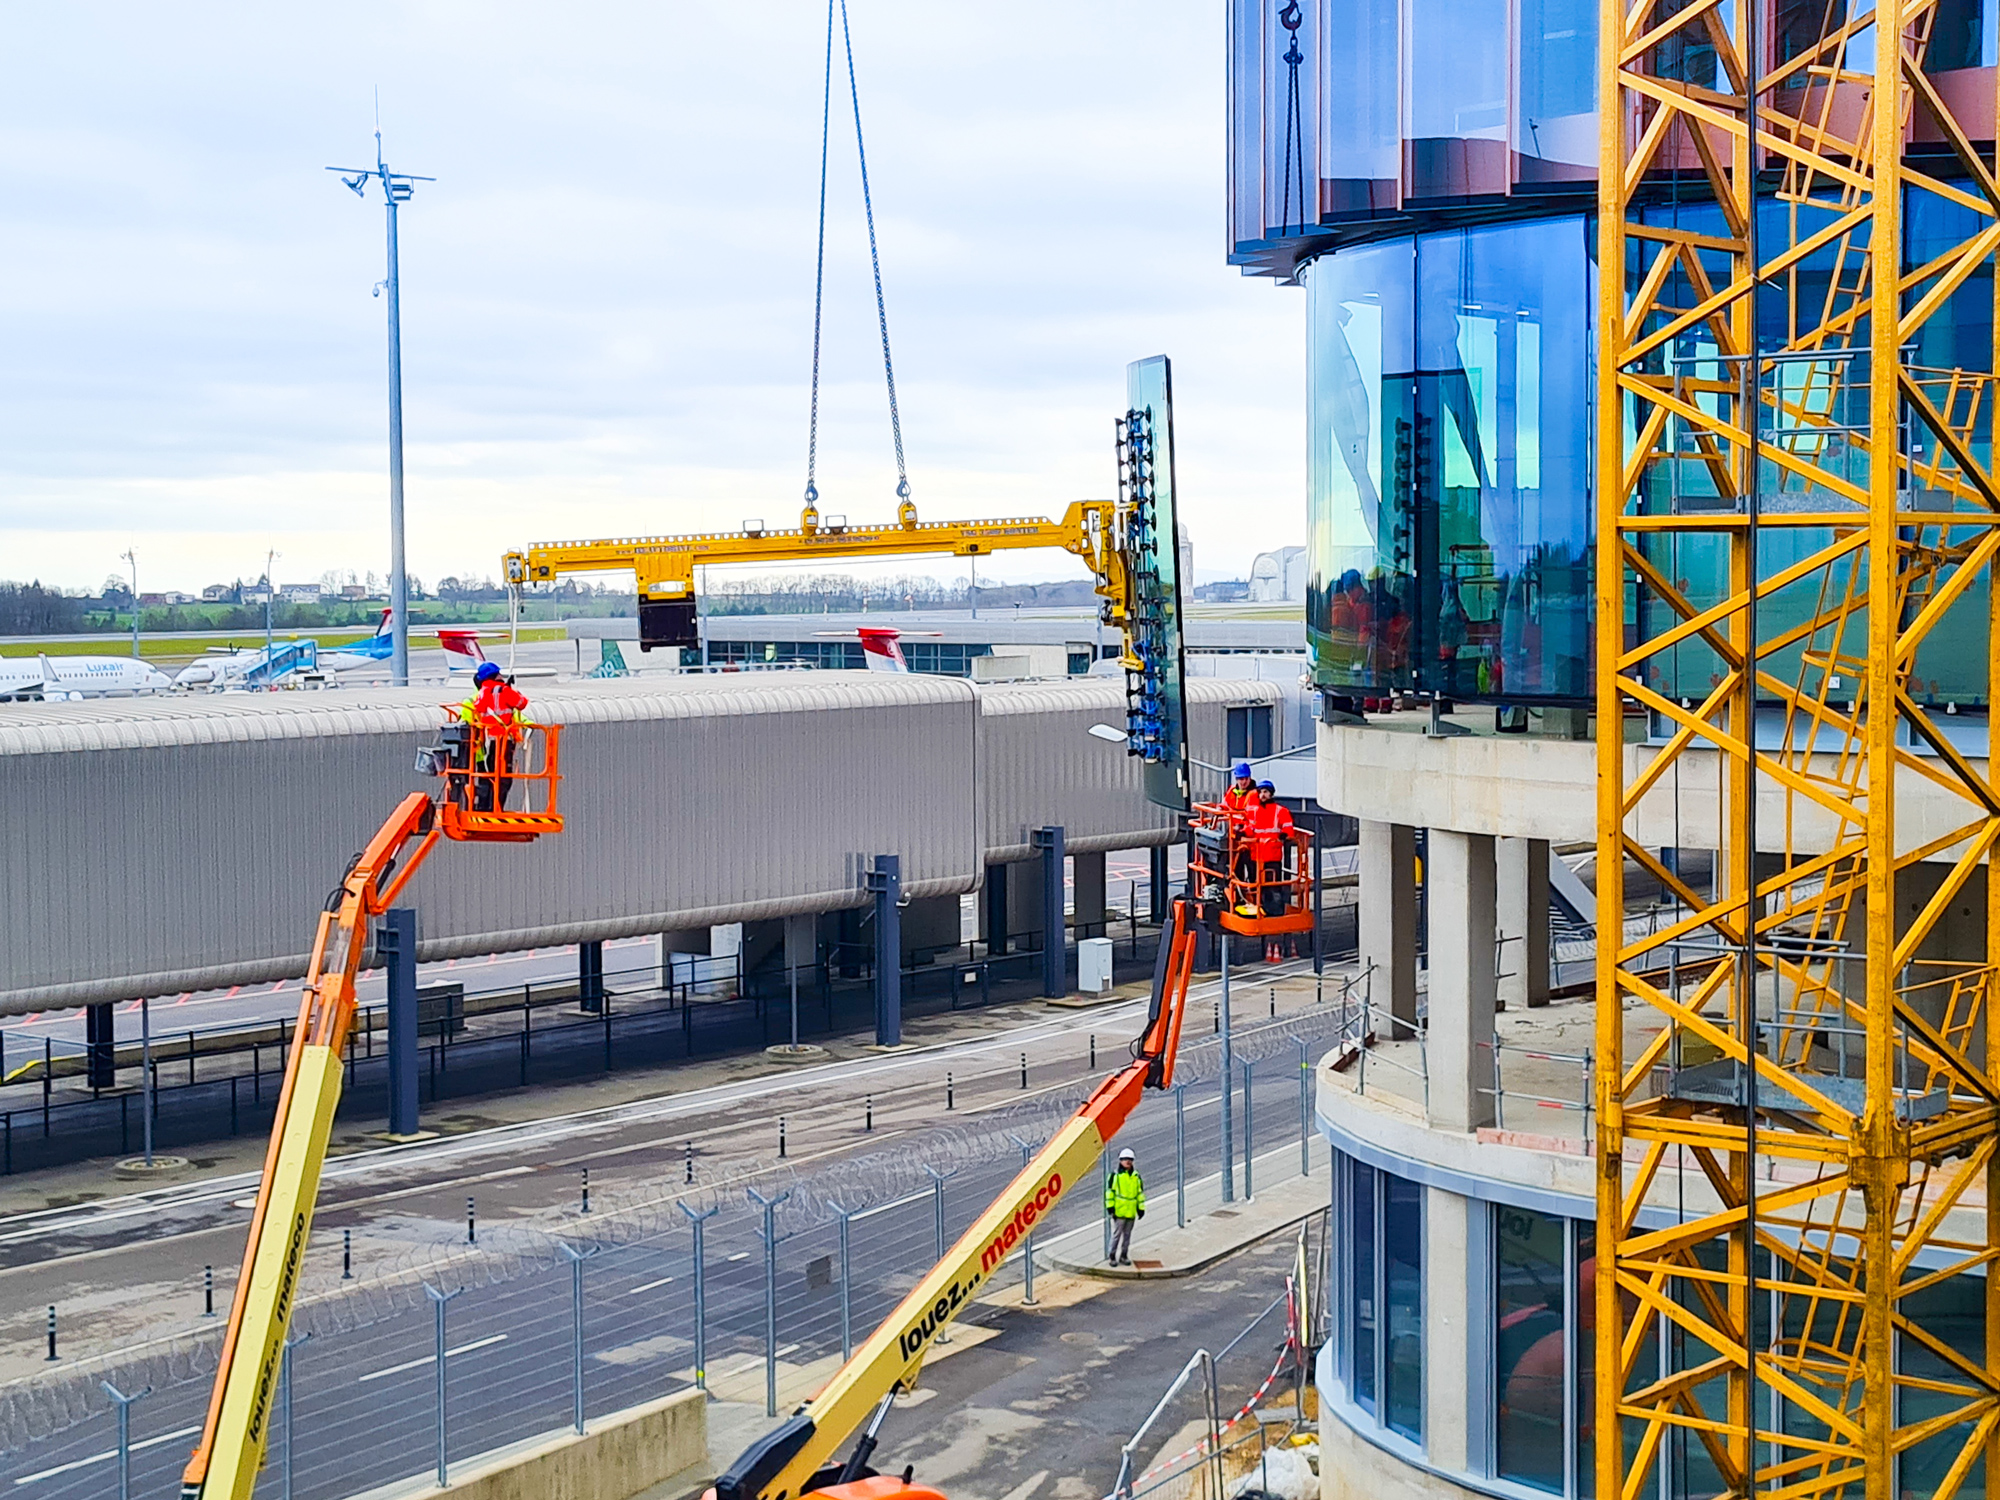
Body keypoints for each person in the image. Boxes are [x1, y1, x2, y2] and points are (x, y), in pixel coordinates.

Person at [469, 662, 530, 810]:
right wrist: (514, 690)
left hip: (487, 740)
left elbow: (479, 708)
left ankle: (485, 807)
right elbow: (522, 703)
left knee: (489, 776)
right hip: (503, 741)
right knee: (503, 778)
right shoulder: (504, 690)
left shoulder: (482, 692)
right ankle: (497, 808)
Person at [1248, 781, 1297, 959]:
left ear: (1271, 794)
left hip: (1272, 859)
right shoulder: (1253, 811)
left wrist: (1283, 836)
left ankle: (1273, 923)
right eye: (1260, 792)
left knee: (1273, 894)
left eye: (1266, 792)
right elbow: (1249, 828)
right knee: (1259, 892)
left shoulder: (1280, 811)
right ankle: (1264, 913)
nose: (1262, 795)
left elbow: (1288, 829)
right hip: (1256, 857)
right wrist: (1241, 831)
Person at [1104, 1147, 1146, 1265]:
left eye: (1130, 1159)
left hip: (1131, 1211)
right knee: (1116, 1235)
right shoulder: (1115, 1176)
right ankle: (1112, 1256)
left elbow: (1139, 1194)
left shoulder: (1136, 1177)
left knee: (1127, 1236)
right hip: (1119, 1211)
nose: (1127, 1161)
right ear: (1120, 1161)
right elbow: (1109, 1193)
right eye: (1125, 1159)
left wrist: (1141, 1209)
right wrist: (1110, 1207)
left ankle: (1123, 1255)